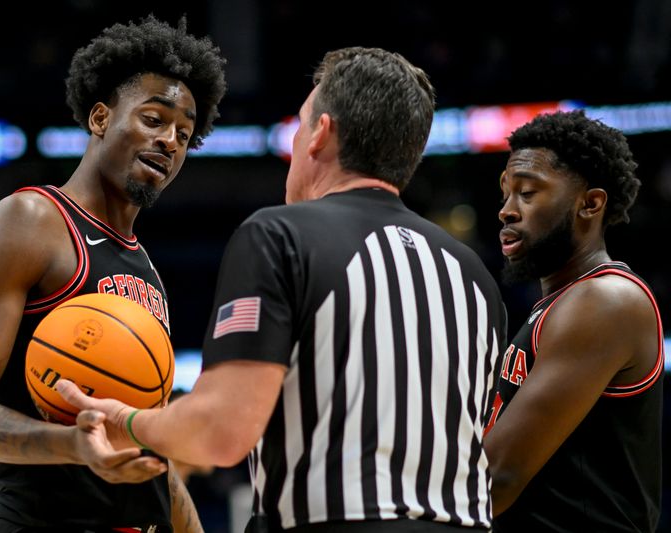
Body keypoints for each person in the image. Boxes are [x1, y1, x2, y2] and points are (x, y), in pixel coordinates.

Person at [58, 46, 508, 532]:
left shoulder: (280, 235)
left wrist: (126, 421)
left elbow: (220, 432)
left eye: (299, 125)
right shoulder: (475, 275)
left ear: (320, 134)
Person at [0, 15, 226, 532]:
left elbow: (144, 448)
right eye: (154, 119)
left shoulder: (146, 269)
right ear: (98, 118)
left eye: (184, 134)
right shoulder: (30, 221)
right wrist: (72, 445)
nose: (170, 142)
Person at [483, 110, 664, 532]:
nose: (507, 211)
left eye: (527, 193)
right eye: (506, 193)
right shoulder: (562, 302)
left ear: (591, 203)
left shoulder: (605, 300)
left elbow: (498, 478)